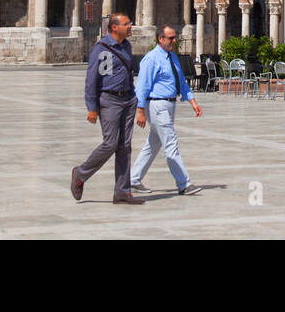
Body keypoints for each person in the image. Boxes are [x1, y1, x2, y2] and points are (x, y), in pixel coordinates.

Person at [71, 13, 144, 204]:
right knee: (110, 143)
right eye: (127, 24)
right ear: (114, 27)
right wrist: (91, 107)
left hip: (127, 99)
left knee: (125, 146)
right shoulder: (101, 48)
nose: (130, 26)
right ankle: (80, 174)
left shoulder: (127, 46)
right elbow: (91, 79)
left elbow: (128, 73)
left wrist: (134, 96)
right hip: (109, 99)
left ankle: (122, 191)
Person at [131, 25, 203, 196]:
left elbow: (181, 81)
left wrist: (192, 101)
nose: (174, 41)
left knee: (153, 144)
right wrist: (140, 110)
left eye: (174, 37)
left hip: (170, 104)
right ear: (160, 39)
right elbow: (142, 86)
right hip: (157, 105)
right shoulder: (151, 59)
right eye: (170, 38)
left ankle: (133, 179)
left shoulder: (172, 57)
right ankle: (183, 183)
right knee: (170, 143)